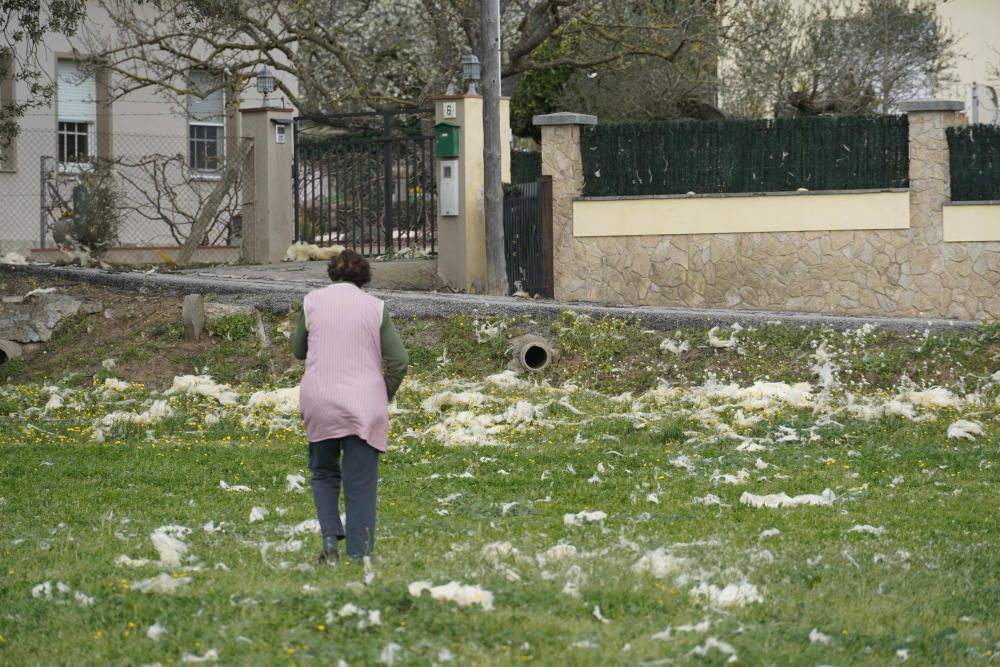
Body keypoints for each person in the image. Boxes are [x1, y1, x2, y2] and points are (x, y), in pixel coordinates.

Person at [292, 250, 409, 563]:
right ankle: (360, 554)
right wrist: (383, 393)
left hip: (320, 400)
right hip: (363, 404)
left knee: (323, 472)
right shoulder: (375, 308)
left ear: (331, 273)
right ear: (365, 278)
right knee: (360, 482)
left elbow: (297, 349)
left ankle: (330, 538)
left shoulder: (312, 301)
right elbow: (399, 360)